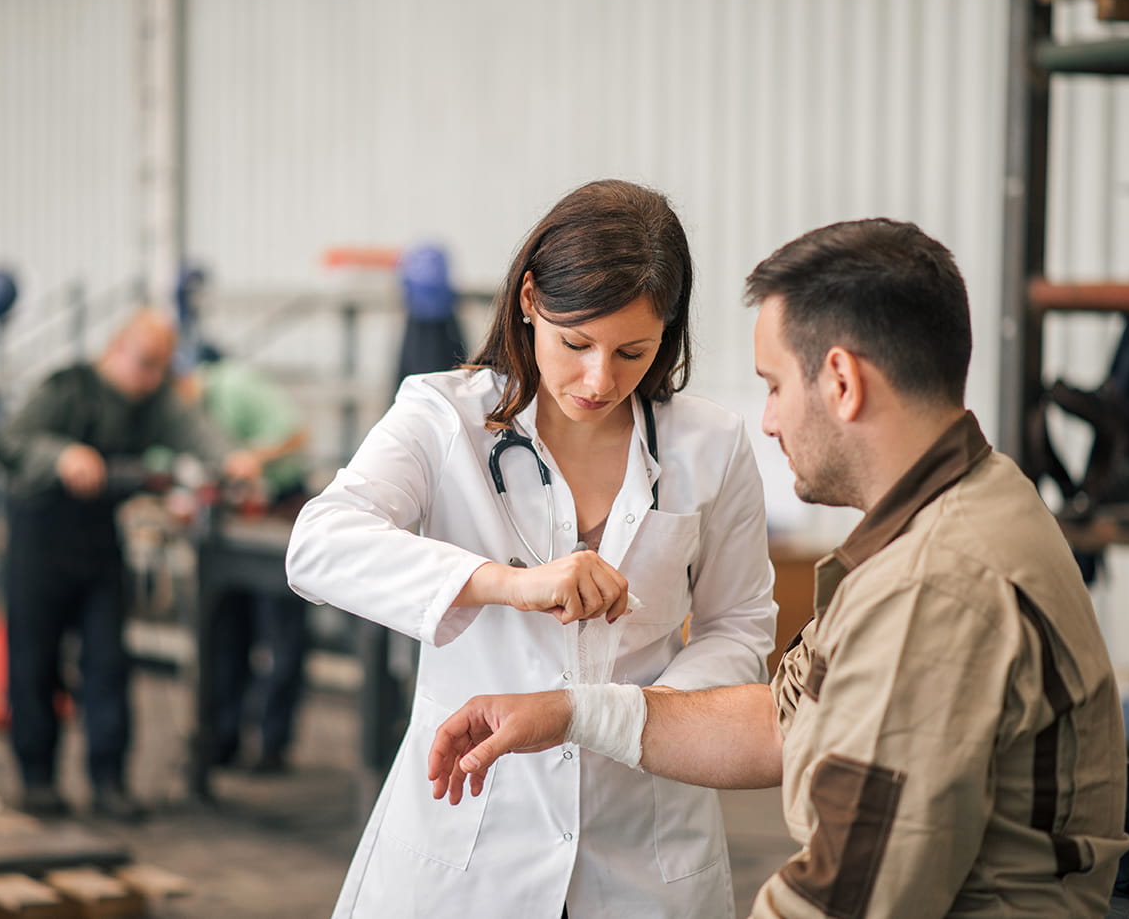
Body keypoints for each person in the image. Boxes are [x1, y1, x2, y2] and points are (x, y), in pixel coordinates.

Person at [428, 219, 1129, 917]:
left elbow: (847, 897)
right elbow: (784, 723)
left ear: (842, 382)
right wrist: (571, 711)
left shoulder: (933, 585)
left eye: (772, 386)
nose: (765, 422)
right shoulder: (972, 498)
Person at [286, 179, 778, 917]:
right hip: (470, 846)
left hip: (645, 840)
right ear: (527, 300)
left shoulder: (709, 443)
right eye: (574, 342)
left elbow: (738, 626)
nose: (597, 379)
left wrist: (631, 715)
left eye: (631, 352)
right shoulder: (442, 415)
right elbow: (319, 544)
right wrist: (502, 583)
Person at [0, 308, 224, 821]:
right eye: (144, 364)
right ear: (115, 349)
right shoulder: (66, 389)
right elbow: (9, 442)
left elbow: (197, 432)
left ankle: (109, 783)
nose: (150, 379)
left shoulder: (153, 402)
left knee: (108, 666)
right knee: (33, 665)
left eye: (160, 368)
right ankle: (37, 781)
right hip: (39, 544)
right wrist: (61, 457)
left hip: (98, 547)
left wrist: (231, 460)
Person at [194, 349, 311, 772]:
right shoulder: (177, 409)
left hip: (278, 511)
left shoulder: (235, 387)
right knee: (225, 635)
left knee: (280, 640)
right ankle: (221, 741)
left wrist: (252, 460)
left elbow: (296, 434)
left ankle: (272, 744)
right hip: (230, 518)